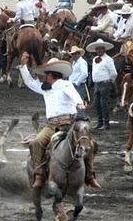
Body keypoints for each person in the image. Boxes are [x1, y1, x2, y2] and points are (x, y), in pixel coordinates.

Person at [19, 54, 101, 189]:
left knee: (90, 144)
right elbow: (30, 83)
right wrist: (23, 67)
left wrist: (79, 103)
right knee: (37, 142)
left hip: (70, 124)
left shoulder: (65, 84)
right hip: (51, 125)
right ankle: (39, 174)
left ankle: (90, 175)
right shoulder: (45, 88)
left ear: (51, 75)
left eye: (46, 74)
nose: (45, 77)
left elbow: (74, 95)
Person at [86, 39, 117, 130]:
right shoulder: (95, 59)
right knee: (97, 104)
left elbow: (114, 73)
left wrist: (109, 82)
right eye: (98, 49)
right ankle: (100, 123)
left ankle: (106, 124)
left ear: (104, 49)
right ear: (95, 50)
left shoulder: (108, 59)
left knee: (104, 104)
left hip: (104, 84)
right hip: (97, 84)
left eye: (101, 49)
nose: (99, 50)